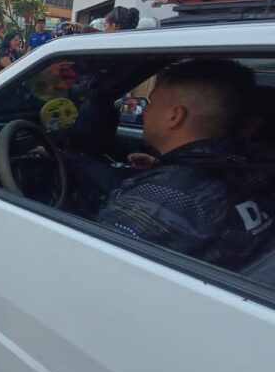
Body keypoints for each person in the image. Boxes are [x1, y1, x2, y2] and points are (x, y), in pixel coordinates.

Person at [97, 59, 275, 271]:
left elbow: (95, 267)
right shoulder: (254, 170)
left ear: (175, 116)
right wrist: (163, 170)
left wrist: (168, 179)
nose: (145, 111)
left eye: (151, 104)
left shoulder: (161, 199)